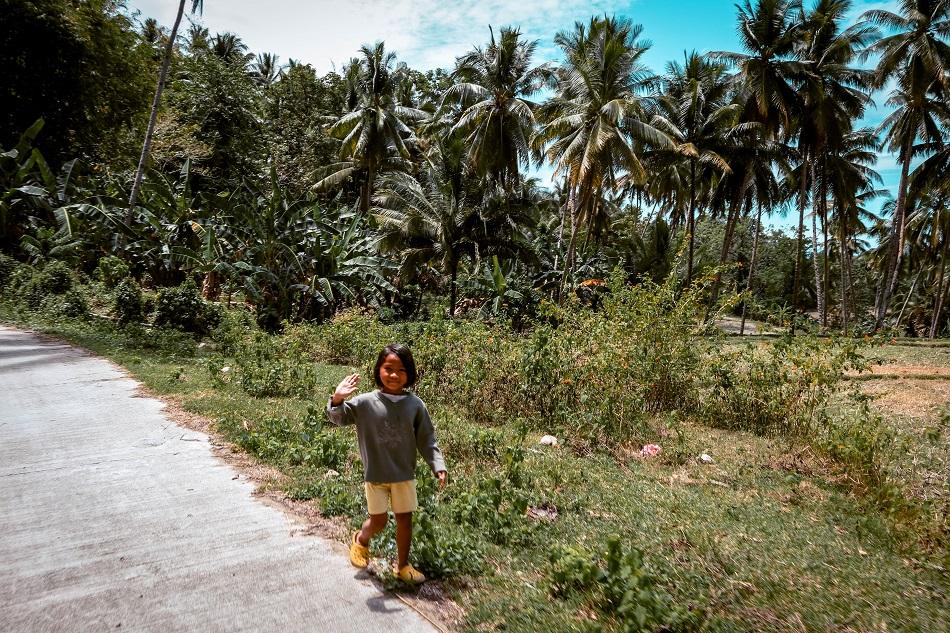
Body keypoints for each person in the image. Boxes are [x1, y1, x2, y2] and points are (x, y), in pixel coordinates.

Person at [326, 343, 447, 584]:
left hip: (404, 474)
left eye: (401, 370)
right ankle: (361, 540)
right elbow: (338, 417)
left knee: (405, 521)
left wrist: (438, 464)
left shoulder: (415, 405)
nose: (394, 375)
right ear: (378, 370)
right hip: (376, 474)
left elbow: (427, 439)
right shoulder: (365, 402)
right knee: (379, 521)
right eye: (388, 368)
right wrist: (338, 398)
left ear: (409, 374)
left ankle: (402, 566)